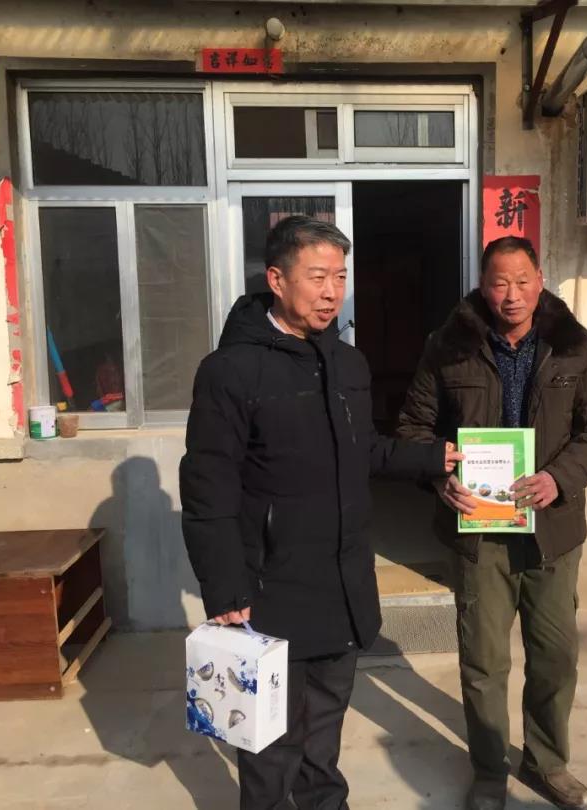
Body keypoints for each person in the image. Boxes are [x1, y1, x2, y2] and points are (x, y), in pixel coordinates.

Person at [179, 215, 460, 810]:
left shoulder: (347, 363)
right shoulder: (231, 371)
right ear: (277, 279)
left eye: (340, 276)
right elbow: (208, 488)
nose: (332, 292)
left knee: (324, 731)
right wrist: (224, 587)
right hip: (271, 588)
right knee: (269, 740)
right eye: (317, 277)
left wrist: (433, 457)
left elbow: (366, 450)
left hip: (342, 582)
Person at [397, 236, 587, 810]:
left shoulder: (574, 345)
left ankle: (547, 763)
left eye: (522, 281)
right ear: (482, 284)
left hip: (552, 530)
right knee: (484, 661)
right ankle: (490, 771)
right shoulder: (447, 347)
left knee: (554, 655)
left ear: (540, 280)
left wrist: (559, 479)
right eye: (499, 283)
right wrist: (440, 477)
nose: (512, 295)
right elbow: (414, 429)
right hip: (480, 532)